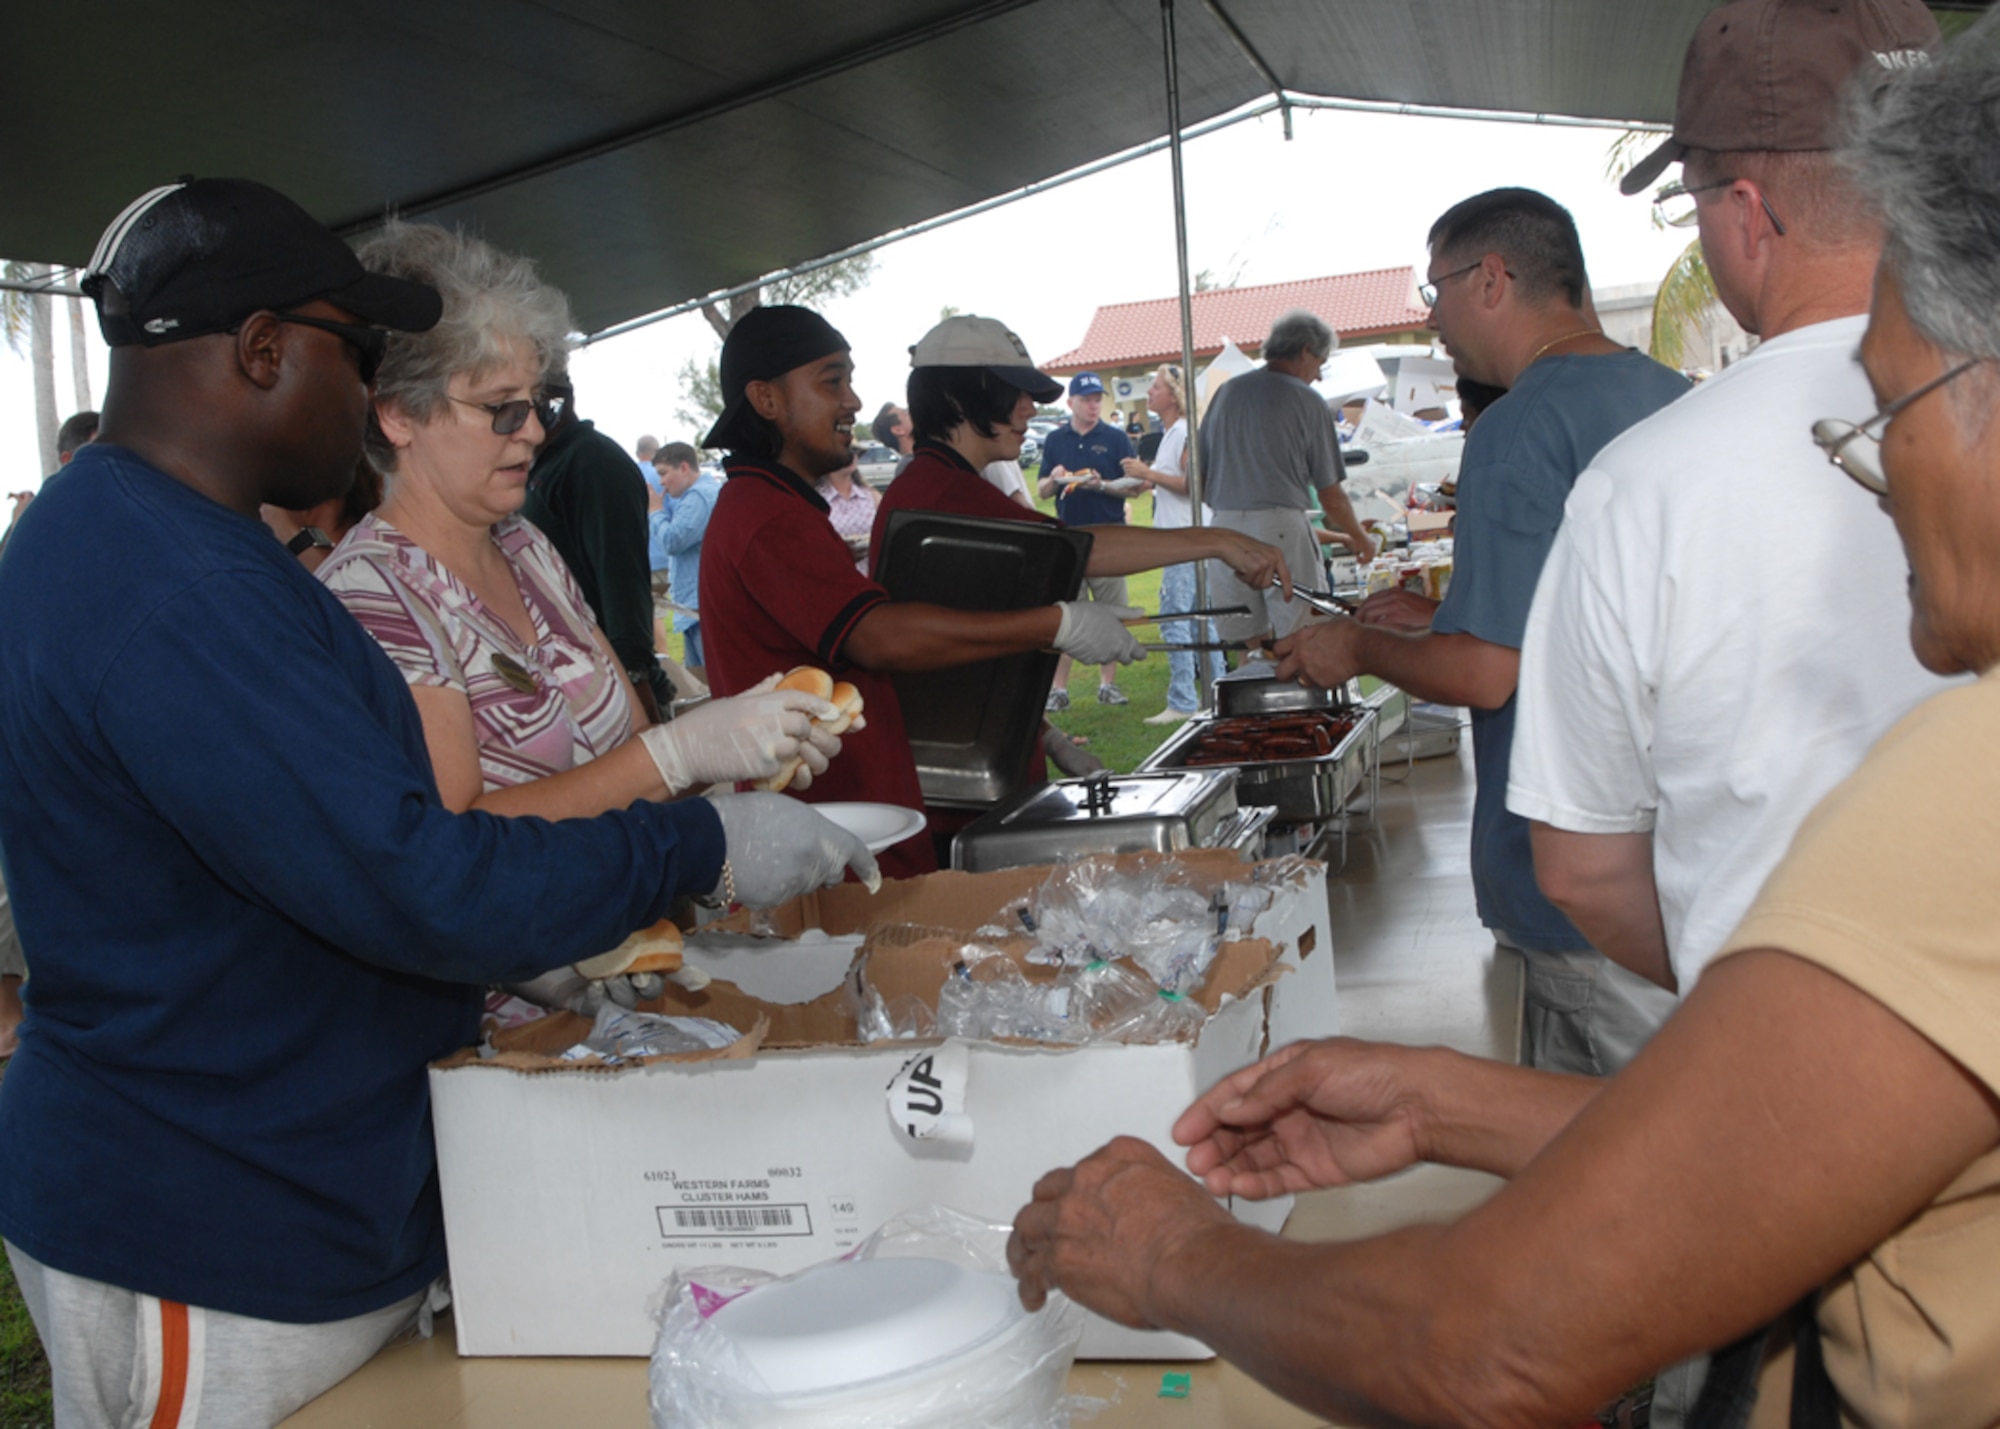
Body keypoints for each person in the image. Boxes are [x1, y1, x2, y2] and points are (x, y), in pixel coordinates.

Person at [1013, 30, 2000, 1421]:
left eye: (1891, 410)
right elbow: (1804, 1150)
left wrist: (1174, 1254)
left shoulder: (1972, 790)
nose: (1877, 478)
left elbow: (1500, 1348)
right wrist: (1442, 1107)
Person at [0, 178, 874, 1428]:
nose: (368, 393)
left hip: (296, 1181)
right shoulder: (168, 587)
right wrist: (690, 831)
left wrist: (580, 926)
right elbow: (418, 875)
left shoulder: (190, 545)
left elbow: (355, 849)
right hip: (205, 1218)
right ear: (261, 351)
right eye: (352, 356)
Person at [1509, 1, 1950, 1008]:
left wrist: (1749, 995)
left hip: (1788, 1099)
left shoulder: (1641, 486)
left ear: (1747, 210)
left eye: (1693, 197)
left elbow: (1579, 866)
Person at [1274, 190, 1690, 1078]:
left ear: (1491, 279)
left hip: (1584, 880)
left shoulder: (1517, 426)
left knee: (1600, 1176)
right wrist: (1445, 617)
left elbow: (1486, 675)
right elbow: (1614, 612)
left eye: (1436, 293)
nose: (1434, 327)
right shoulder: (1671, 397)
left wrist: (1357, 648)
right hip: (1685, 852)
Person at [320, 222, 829, 823]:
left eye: (539, 403)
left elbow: (631, 758)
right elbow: (457, 836)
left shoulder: (525, 545)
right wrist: (678, 754)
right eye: (501, 408)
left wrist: (735, 734)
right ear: (398, 414)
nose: (533, 430)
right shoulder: (371, 594)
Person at [696, 304, 1174, 879]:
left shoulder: (780, 508)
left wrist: (1041, 733)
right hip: (830, 841)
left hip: (860, 822)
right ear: (766, 399)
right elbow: (880, 640)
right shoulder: (766, 516)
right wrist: (1057, 624)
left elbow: (903, 668)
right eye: (832, 381)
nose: (852, 400)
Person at [871, 316, 1290, 831]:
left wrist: (1046, 735)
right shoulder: (941, 492)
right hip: (948, 804)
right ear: (961, 399)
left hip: (985, 768)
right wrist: (1218, 541)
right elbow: (1080, 550)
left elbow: (968, 655)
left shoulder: (949, 484)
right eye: (1014, 394)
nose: (1031, 408)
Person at [1199, 310, 1375, 647]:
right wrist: (1359, 536)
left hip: (1223, 525)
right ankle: (1306, 699)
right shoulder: (1307, 400)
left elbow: (1200, 476)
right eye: (1321, 363)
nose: (1319, 376)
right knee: (1305, 633)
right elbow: (1330, 495)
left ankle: (1255, 695)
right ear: (1306, 350)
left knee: (1250, 642)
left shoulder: (1227, 393)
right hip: (1280, 527)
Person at [521, 361, 674, 719]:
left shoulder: (593, 463)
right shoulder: (544, 466)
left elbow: (622, 586)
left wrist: (637, 686)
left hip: (613, 689)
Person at [1118, 363, 1224, 724]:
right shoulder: (1170, 434)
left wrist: (1148, 474)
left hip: (1184, 539)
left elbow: (1193, 485)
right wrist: (1137, 483)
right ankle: (1216, 693)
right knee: (1201, 621)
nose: (1149, 393)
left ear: (1174, 395)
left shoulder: (1183, 433)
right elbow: (1169, 482)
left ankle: (1183, 701)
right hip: (1185, 538)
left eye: (1156, 388)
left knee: (1176, 619)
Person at [1037, 371, 1138, 708]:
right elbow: (1042, 490)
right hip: (1069, 538)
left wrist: (1103, 485)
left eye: (1098, 399)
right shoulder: (1054, 440)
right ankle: (1058, 690)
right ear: (1071, 403)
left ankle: (1108, 685)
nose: (1094, 405)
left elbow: (1135, 487)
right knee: (1067, 614)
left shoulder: (1115, 438)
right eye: (1087, 399)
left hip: (1108, 536)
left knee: (1111, 611)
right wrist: (1053, 479)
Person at [649, 441, 720, 683]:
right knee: (703, 682)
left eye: (664, 473)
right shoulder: (700, 493)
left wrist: (655, 511)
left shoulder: (698, 497)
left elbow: (672, 540)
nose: (661, 482)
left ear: (684, 468)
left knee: (710, 682)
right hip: (695, 606)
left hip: (701, 607)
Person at [816, 453, 880, 571]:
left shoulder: (872, 496)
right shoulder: (817, 500)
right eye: (844, 450)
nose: (850, 455)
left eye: (853, 451)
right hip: (835, 576)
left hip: (871, 577)